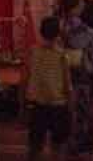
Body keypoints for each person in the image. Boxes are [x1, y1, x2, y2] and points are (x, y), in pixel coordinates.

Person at [24, 16, 76, 161]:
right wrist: (71, 108)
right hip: (58, 106)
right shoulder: (62, 56)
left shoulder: (32, 51)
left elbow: (25, 79)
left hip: (37, 105)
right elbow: (68, 85)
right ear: (58, 33)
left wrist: (22, 104)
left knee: (34, 147)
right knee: (58, 146)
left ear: (41, 32)